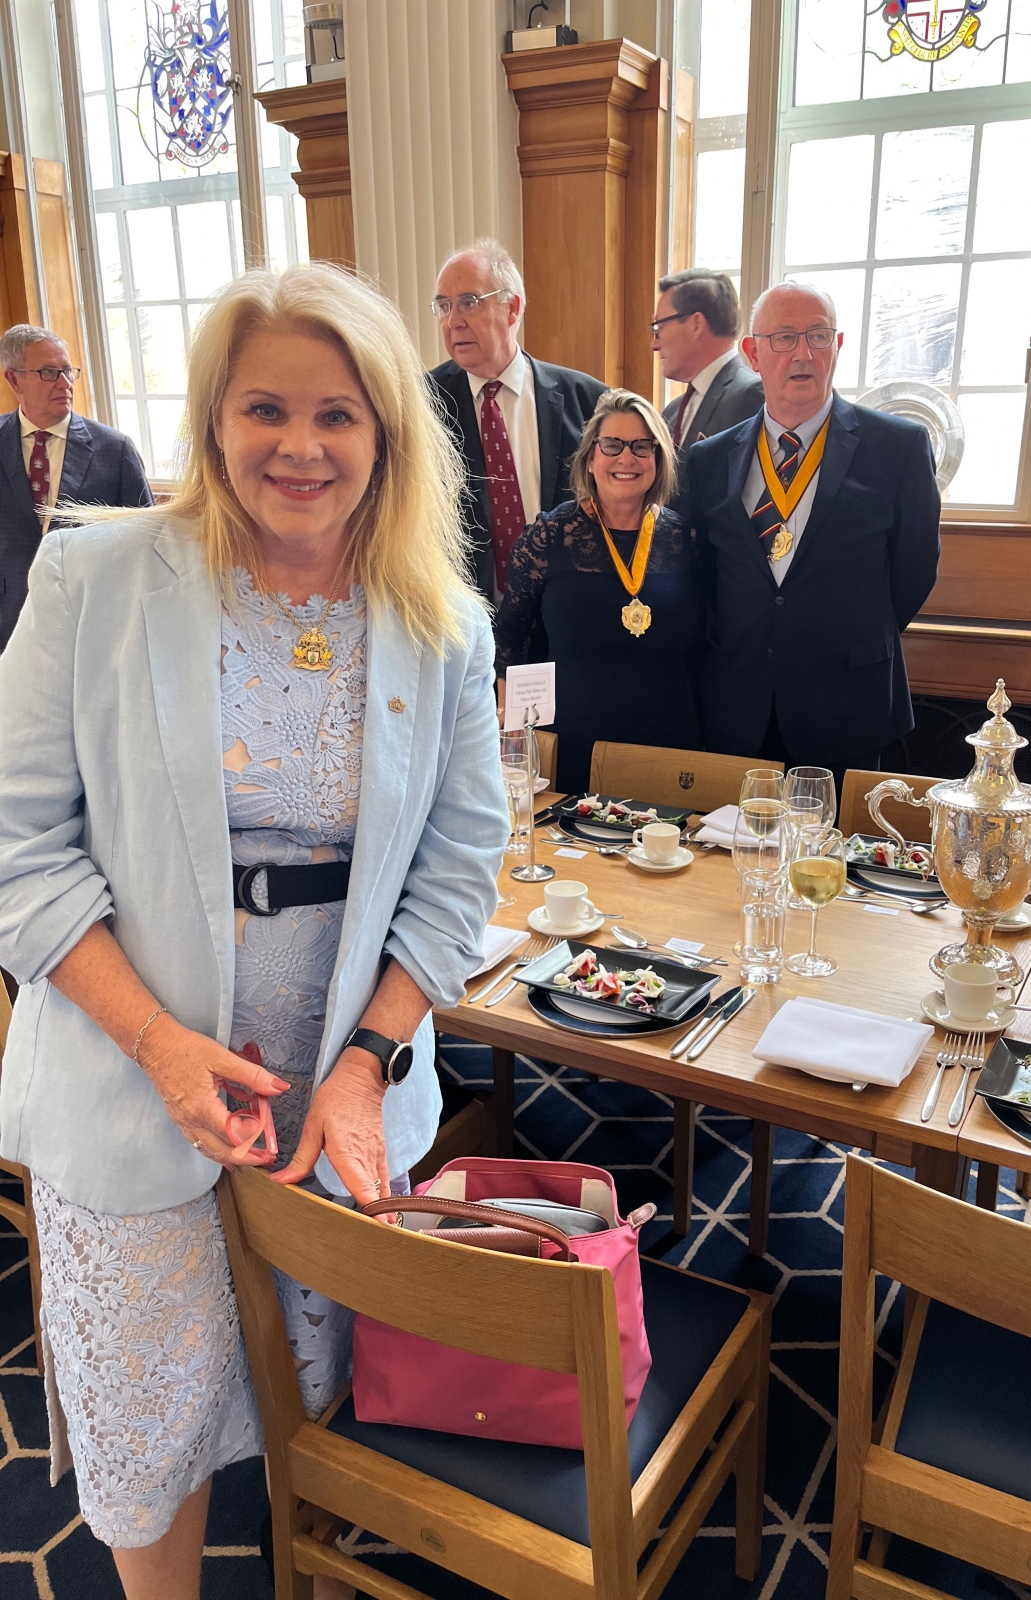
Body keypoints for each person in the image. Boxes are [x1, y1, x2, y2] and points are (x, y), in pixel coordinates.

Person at [0, 264, 509, 1600]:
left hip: (340, 1090)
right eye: (264, 408)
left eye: (338, 414)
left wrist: (368, 1066)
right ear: (213, 421)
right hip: (132, 1075)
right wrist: (163, 1047)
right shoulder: (93, 579)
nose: (300, 444)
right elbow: (15, 845)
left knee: (324, 1411)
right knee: (149, 1431)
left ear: (387, 432)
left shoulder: (442, 622)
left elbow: (462, 868)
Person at [683, 281, 940, 788]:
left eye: (818, 336)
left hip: (847, 702)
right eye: (783, 338)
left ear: (837, 348)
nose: (802, 353)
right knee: (736, 857)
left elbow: (914, 572)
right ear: (752, 353)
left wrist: (841, 635)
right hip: (739, 701)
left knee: (834, 862)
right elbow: (704, 574)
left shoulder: (898, 447)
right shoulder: (709, 458)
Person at [494, 388, 702, 795]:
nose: (627, 458)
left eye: (643, 447)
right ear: (591, 458)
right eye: (612, 445)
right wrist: (511, 723)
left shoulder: (685, 538)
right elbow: (510, 635)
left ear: (658, 461)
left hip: (669, 745)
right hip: (572, 746)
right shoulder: (549, 537)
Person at [428, 238, 606, 599]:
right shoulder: (421, 405)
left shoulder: (588, 400)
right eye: (443, 306)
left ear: (512, 308)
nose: (452, 322)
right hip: (465, 618)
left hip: (567, 611)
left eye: (468, 303)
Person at [0, 323, 152, 649]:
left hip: (91, 622)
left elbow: (148, 543)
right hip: (7, 622)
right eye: (48, 372)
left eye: (68, 371)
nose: (65, 383)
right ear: (14, 379)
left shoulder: (114, 449)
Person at [654, 269, 763, 465]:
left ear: (696, 324)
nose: (654, 344)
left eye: (659, 327)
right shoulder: (672, 411)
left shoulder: (751, 396)